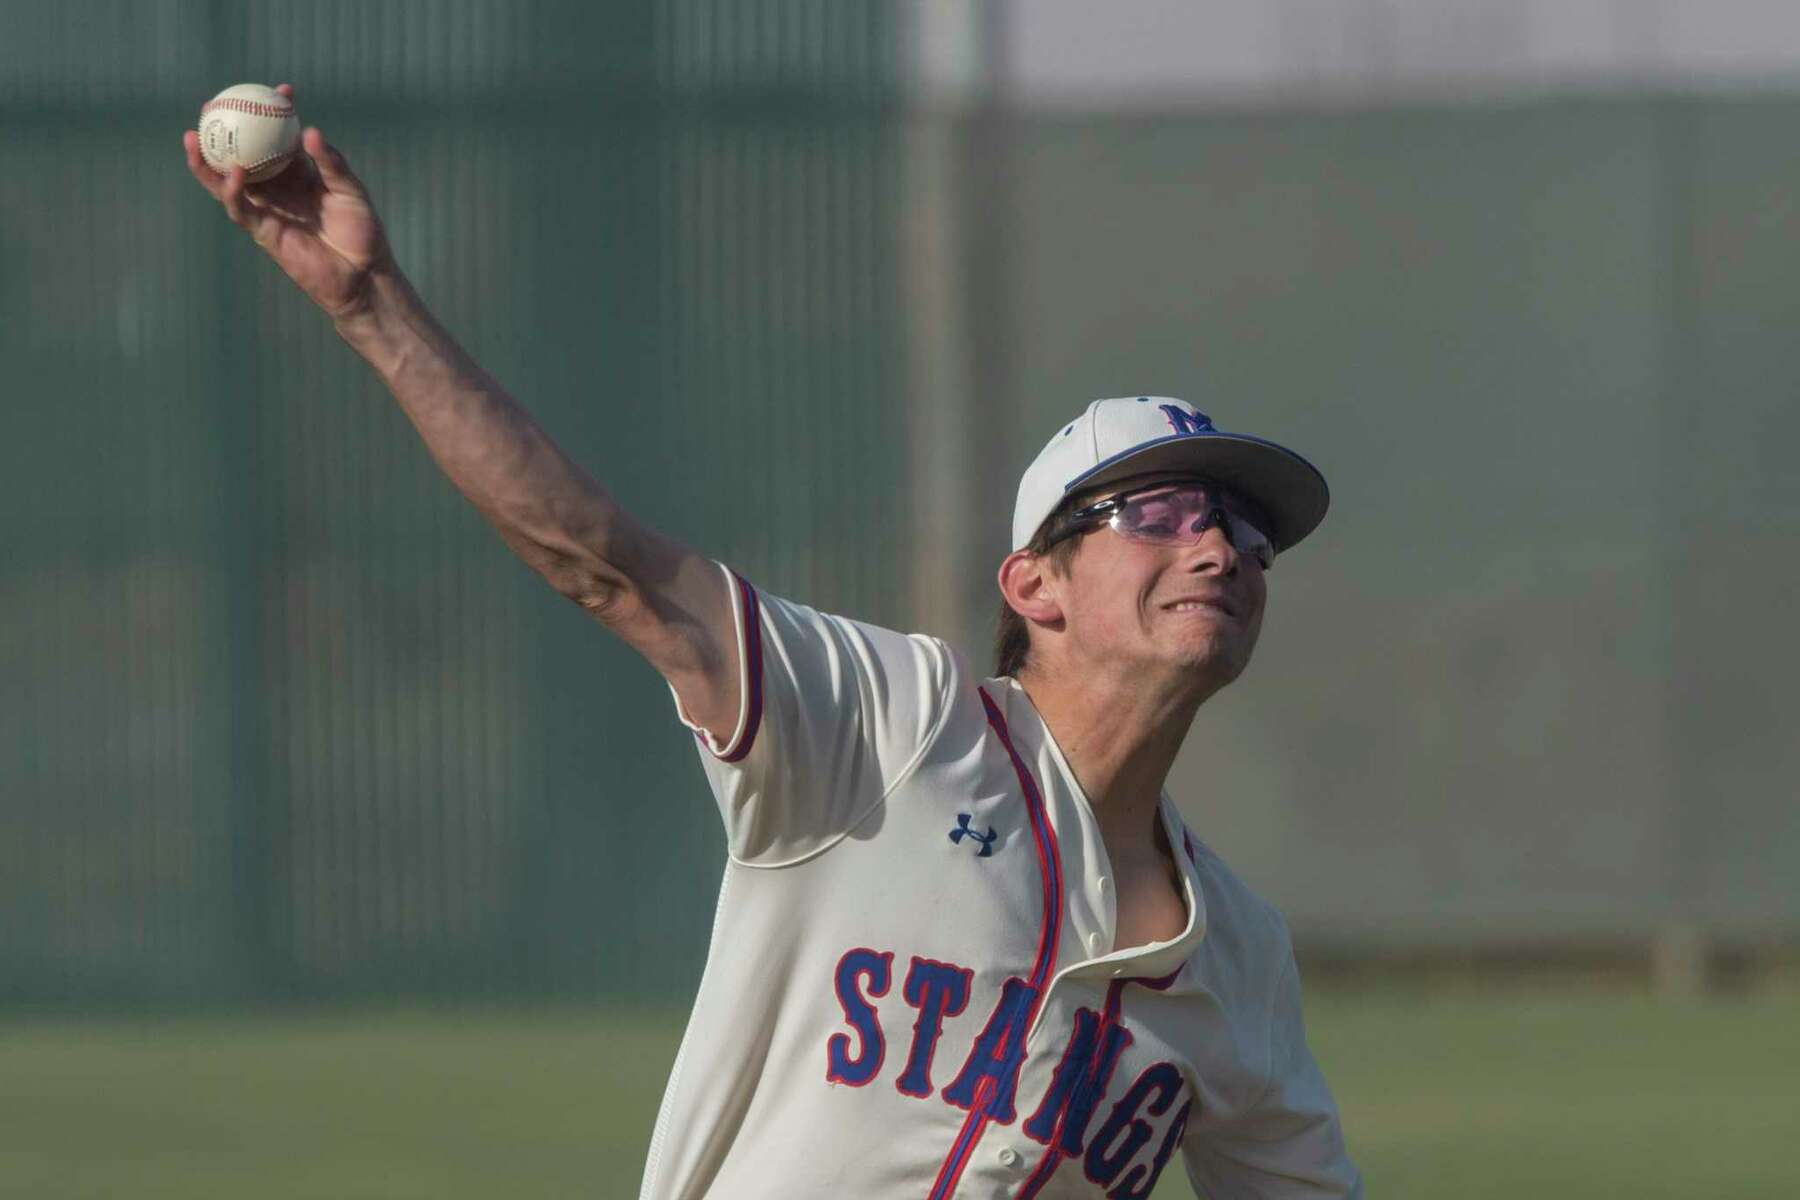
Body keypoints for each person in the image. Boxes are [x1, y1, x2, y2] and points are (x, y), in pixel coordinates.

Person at [184, 85, 1362, 1200]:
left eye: (1240, 525)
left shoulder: (1239, 955)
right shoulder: (892, 725)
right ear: (1034, 585)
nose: (1214, 547)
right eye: (1155, 515)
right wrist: (370, 305)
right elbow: (600, 560)